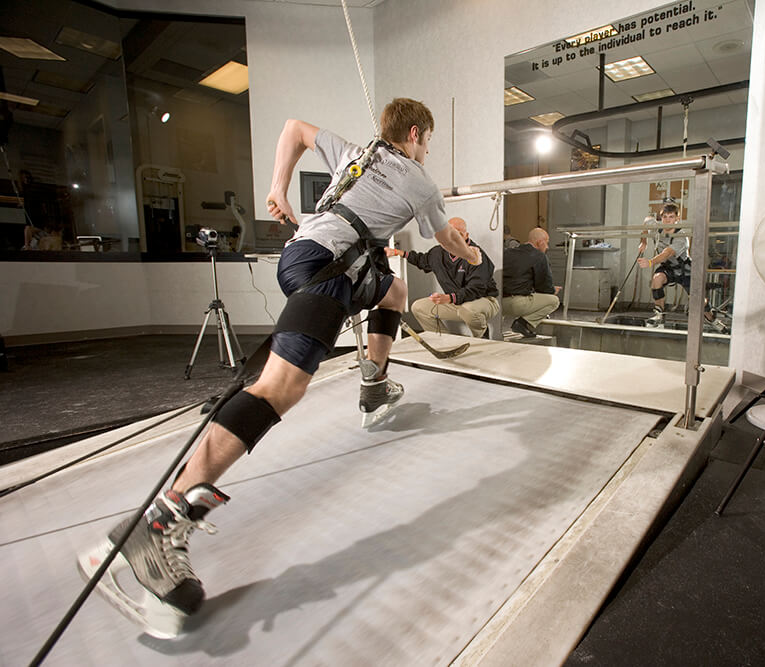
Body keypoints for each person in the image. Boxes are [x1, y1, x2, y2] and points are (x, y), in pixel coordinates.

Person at [78, 98, 482, 639]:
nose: (427, 149)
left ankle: (374, 382)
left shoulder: (357, 153)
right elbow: (447, 238)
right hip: (327, 269)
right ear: (415, 133)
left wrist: (277, 189)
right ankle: (162, 523)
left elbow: (292, 128)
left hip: (304, 255)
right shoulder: (420, 180)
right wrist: (473, 256)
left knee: (396, 291)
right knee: (281, 387)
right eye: (428, 140)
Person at [389, 216, 499, 338]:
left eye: (458, 234)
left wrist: (450, 298)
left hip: (483, 300)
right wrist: (399, 253)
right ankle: (444, 341)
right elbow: (422, 260)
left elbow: (477, 288)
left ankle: (482, 338)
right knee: (418, 307)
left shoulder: (476, 255)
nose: (453, 239)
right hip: (456, 302)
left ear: (466, 236)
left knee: (468, 309)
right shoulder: (437, 253)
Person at [637, 199, 724, 331]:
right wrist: (644, 242)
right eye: (664, 217)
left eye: (671, 217)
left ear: (677, 218)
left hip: (685, 269)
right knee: (657, 279)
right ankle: (659, 315)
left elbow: (667, 253)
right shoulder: (656, 227)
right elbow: (646, 221)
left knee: (698, 301)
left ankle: (712, 318)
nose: (667, 220)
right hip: (668, 268)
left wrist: (649, 262)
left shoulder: (682, 237)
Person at [502, 227, 561, 339]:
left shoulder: (507, 252)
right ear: (540, 242)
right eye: (547, 243)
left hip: (499, 304)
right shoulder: (539, 256)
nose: (547, 247)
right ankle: (522, 323)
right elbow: (544, 287)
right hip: (517, 304)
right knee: (554, 301)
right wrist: (553, 290)